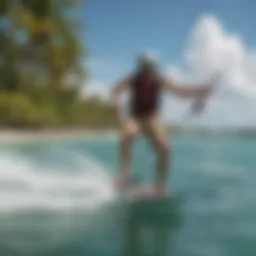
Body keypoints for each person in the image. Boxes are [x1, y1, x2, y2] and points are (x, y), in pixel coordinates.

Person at [110, 53, 213, 196]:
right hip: (135, 117)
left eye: (149, 68)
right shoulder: (133, 79)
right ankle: (124, 176)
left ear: (153, 67)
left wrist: (199, 90)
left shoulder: (159, 80)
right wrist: (116, 103)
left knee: (165, 147)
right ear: (140, 67)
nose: (147, 71)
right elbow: (115, 89)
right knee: (126, 136)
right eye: (144, 68)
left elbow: (181, 92)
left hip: (152, 119)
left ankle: (160, 185)